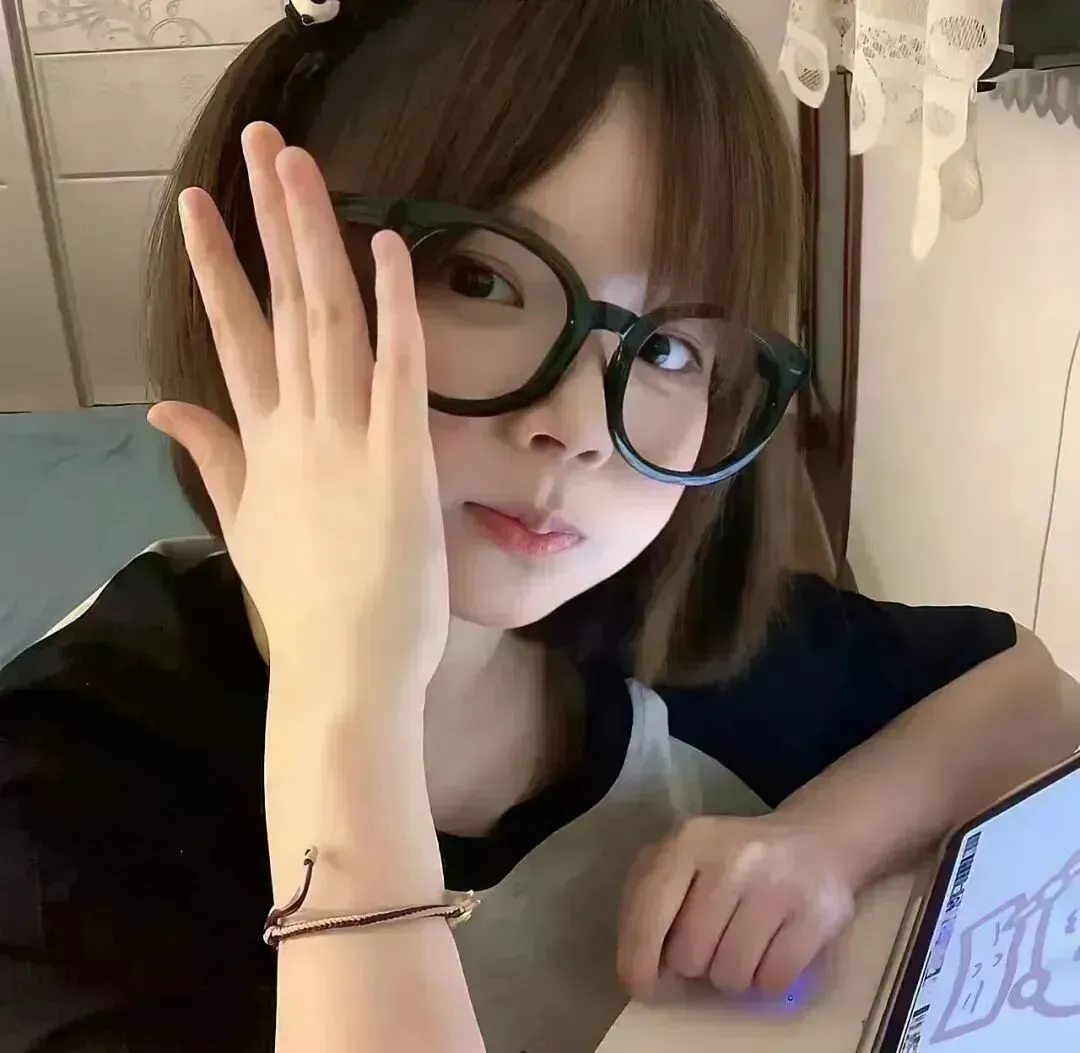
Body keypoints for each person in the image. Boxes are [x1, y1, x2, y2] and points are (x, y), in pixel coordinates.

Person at [1, 1, 1078, 1051]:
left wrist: (821, 842)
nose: (581, 427)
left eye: (669, 348)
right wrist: (350, 707)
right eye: (482, 279)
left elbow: (1032, 696)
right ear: (266, 271)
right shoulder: (62, 802)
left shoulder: (671, 633)